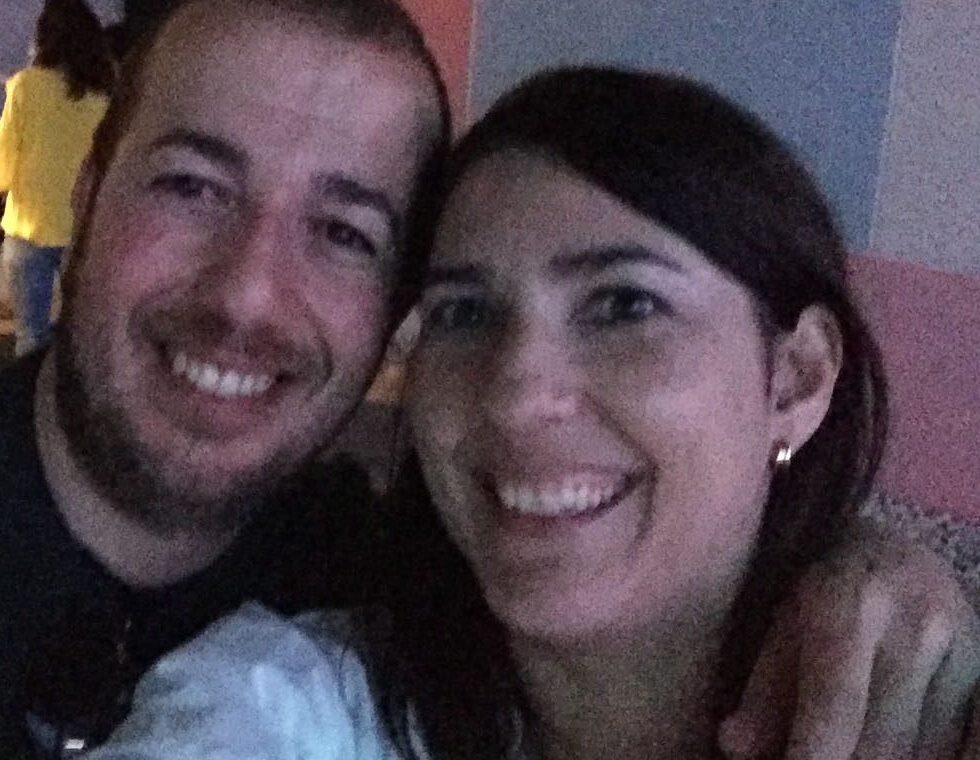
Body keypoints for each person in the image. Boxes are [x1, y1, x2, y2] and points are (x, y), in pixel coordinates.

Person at [0, 0, 974, 760]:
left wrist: (850, 563)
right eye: (193, 186)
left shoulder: (382, 565)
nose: (247, 292)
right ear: (85, 197)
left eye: (344, 232)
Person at [91, 66, 980, 760]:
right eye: (464, 313)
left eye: (623, 305)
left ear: (796, 380)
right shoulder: (286, 706)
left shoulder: (933, 709)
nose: (516, 396)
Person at [0, 0, 114, 355]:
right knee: (83, 340)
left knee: (30, 337)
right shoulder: (106, 93)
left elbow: (3, 166)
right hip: (85, 230)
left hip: (30, 225)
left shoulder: (26, 86)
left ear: (43, 38)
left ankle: (32, 392)